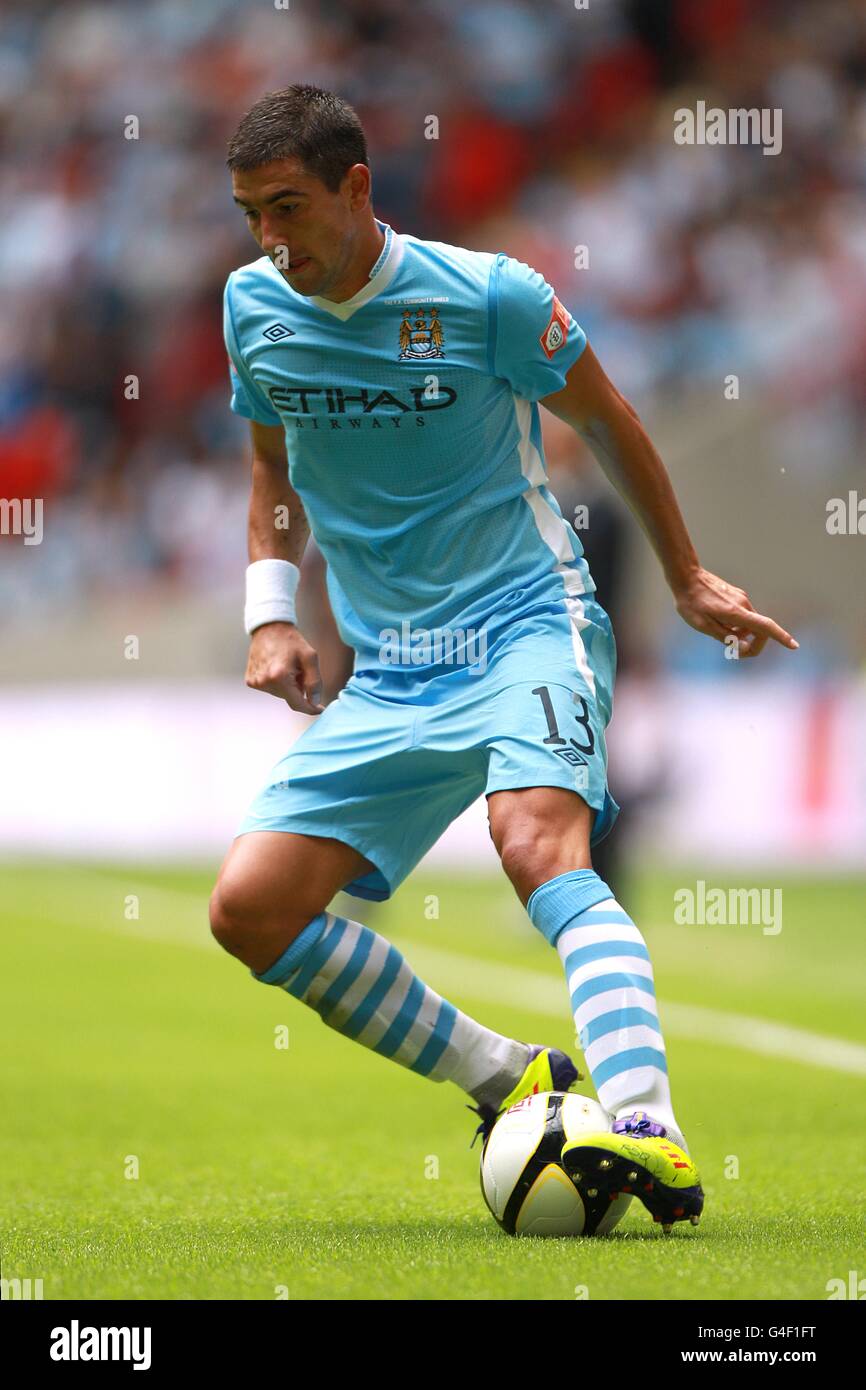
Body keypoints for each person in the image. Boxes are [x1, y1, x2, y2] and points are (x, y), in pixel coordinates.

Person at [210, 85, 798, 1233]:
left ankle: (641, 1122)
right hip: (386, 669)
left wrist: (684, 575)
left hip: (526, 620)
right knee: (249, 909)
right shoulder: (250, 309)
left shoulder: (488, 296)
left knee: (535, 842)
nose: (270, 242)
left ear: (356, 188)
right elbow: (270, 473)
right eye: (248, 217)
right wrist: (268, 615)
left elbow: (615, 418)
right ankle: (508, 1079)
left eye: (288, 208)